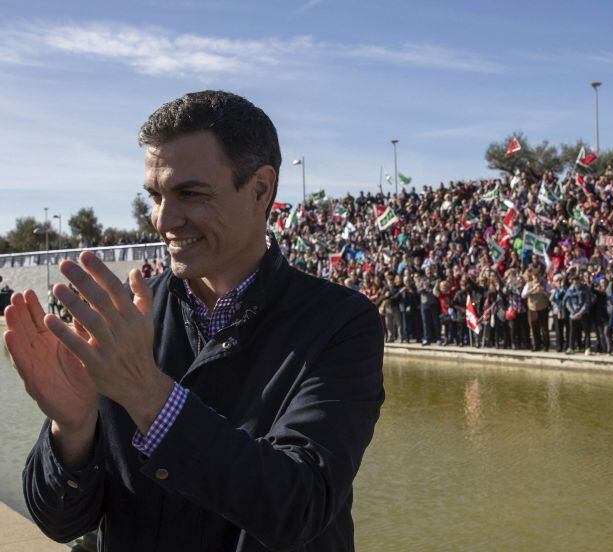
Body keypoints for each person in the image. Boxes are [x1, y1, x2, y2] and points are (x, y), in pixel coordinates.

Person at [4, 91, 385, 551]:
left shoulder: (341, 322)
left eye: (190, 194)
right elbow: (61, 522)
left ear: (261, 190)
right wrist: (72, 430)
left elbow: (300, 505)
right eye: (155, 195)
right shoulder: (121, 318)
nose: (164, 219)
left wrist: (146, 392)